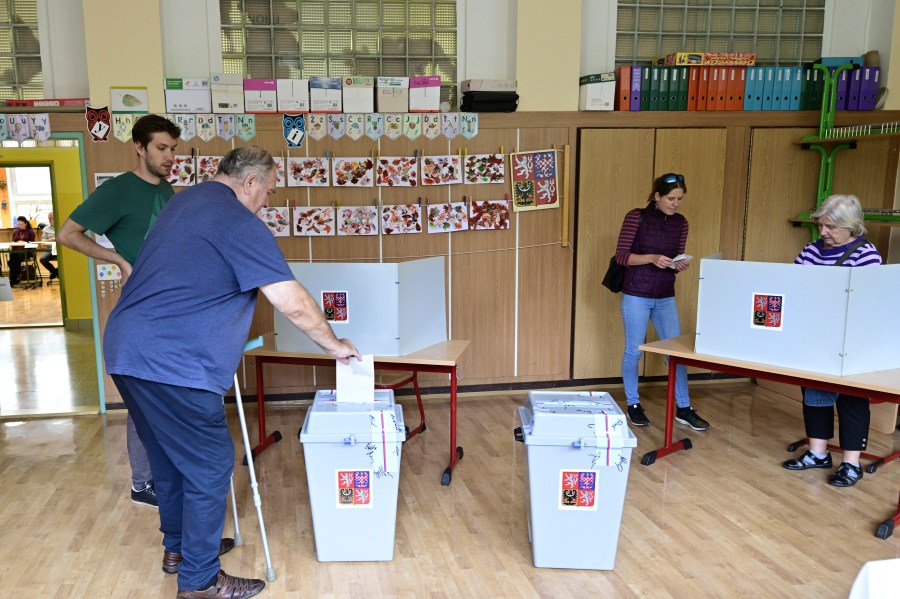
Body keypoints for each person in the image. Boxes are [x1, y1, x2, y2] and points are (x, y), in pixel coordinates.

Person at [104, 145, 361, 598]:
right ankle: (200, 583)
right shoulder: (238, 222)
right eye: (269, 192)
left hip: (128, 351)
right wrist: (335, 346)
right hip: (173, 363)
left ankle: (180, 550)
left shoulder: (187, 200)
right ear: (250, 183)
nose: (269, 202)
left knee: (168, 458)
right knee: (210, 466)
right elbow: (292, 302)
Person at [57, 113, 182, 508]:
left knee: (164, 396)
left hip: (168, 309)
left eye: (173, 150)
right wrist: (116, 259)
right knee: (145, 397)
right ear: (140, 147)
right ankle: (143, 482)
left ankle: (160, 474)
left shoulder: (167, 191)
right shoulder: (118, 191)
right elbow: (67, 233)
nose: (169, 157)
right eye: (161, 149)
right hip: (140, 312)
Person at [783, 194, 882, 487]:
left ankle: (851, 464)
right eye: (821, 225)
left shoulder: (866, 254)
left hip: (851, 339)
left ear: (850, 226)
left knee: (852, 398)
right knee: (814, 393)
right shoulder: (812, 250)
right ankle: (817, 453)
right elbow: (794, 282)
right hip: (815, 335)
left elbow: (869, 301)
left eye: (830, 227)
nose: (822, 232)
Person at [614, 172, 710, 431]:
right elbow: (622, 256)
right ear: (657, 196)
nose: (675, 203)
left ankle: (684, 408)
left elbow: (675, 258)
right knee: (634, 350)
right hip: (636, 292)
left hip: (665, 294)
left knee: (675, 353)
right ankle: (633, 404)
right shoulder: (637, 217)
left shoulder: (681, 222)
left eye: (680, 199)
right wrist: (652, 258)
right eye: (670, 198)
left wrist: (679, 264)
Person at [8, 215, 35, 287]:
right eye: (18, 224)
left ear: (25, 223)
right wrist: (16, 242)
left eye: (21, 224)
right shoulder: (15, 231)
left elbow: (32, 243)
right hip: (17, 251)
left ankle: (15, 278)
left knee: (14, 260)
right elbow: (13, 242)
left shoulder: (30, 232)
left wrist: (24, 242)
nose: (20, 226)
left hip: (26, 251)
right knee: (11, 261)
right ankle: (14, 279)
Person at [38, 211, 59, 281]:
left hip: (61, 249)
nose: (50, 220)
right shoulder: (45, 229)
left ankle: (56, 273)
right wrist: (50, 240)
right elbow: (42, 241)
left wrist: (56, 239)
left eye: (51, 218)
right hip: (50, 248)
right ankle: (55, 272)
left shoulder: (62, 226)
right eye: (49, 218)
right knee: (42, 259)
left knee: (65, 260)